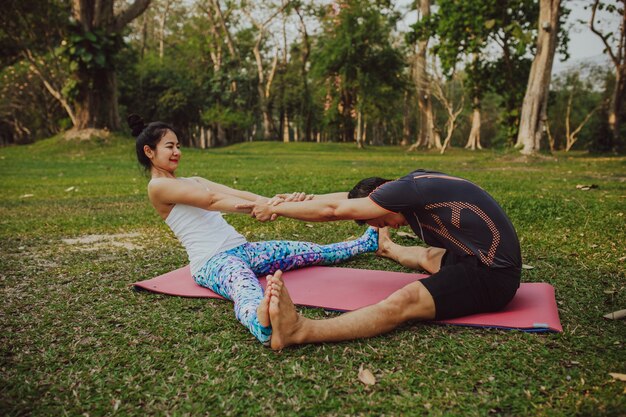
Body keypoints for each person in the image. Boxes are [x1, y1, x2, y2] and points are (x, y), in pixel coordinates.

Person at [128, 114, 379, 346]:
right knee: (245, 289)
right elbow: (212, 201)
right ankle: (262, 324)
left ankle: (365, 244)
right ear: (149, 151)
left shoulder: (192, 181)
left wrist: (274, 202)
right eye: (169, 146)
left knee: (310, 251)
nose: (177, 152)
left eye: (178, 146)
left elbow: (235, 193)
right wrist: (260, 207)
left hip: (244, 250)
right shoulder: (157, 187)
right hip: (213, 262)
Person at [244, 170, 522, 350]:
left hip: (492, 276)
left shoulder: (405, 193)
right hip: (471, 258)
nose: (375, 223)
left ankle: (300, 330)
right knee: (428, 256)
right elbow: (343, 198)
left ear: (381, 197)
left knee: (403, 301)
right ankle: (387, 248)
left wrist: (276, 211)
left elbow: (334, 209)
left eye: (371, 219)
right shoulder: (407, 187)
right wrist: (291, 201)